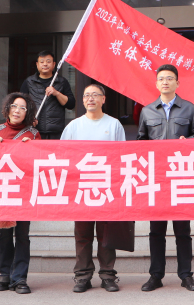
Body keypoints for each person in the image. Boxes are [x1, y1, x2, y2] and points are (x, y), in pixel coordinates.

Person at [137, 64, 194, 292]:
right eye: (161, 79)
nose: (165, 82)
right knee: (156, 230)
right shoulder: (147, 111)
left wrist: (188, 142)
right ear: (156, 83)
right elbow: (140, 143)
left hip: (180, 177)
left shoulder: (189, 108)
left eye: (170, 78)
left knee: (183, 230)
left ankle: (186, 275)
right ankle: (156, 275)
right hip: (156, 178)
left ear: (177, 83)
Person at [61, 83, 126, 292]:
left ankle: (108, 275)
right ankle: (82, 276)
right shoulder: (73, 127)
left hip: (107, 187)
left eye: (95, 95)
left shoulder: (114, 124)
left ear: (103, 99)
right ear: (82, 100)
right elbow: (63, 156)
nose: (91, 98)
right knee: (82, 234)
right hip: (81, 188)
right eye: (87, 95)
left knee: (106, 235)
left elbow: (122, 156)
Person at [0, 92, 41, 294]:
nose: (17, 111)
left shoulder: (33, 134)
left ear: (28, 113)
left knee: (23, 235)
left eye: (22, 108)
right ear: (7, 109)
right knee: (5, 234)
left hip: (24, 190)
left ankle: (20, 278)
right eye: (14, 106)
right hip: (3, 189)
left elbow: (38, 162)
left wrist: (31, 148)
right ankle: (5, 275)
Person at [20, 50, 75, 140]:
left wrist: (56, 93)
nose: (45, 64)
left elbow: (71, 104)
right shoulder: (29, 82)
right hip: (34, 130)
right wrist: (29, 118)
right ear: (37, 64)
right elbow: (20, 104)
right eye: (42, 62)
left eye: (48, 61)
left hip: (56, 131)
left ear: (54, 64)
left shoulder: (61, 82)